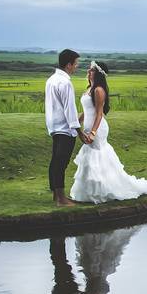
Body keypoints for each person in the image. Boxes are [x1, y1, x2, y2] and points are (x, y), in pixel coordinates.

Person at [70, 60, 147, 203]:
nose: (88, 71)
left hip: (97, 128)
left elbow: (99, 114)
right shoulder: (89, 88)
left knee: (96, 155)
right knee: (91, 155)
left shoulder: (98, 90)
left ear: (97, 74)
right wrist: (77, 121)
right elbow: (87, 111)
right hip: (89, 125)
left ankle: (102, 190)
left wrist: (92, 132)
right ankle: (89, 191)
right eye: (89, 69)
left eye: (91, 70)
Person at [45, 49, 90, 206]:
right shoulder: (65, 83)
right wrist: (79, 132)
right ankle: (61, 199)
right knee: (61, 163)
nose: (76, 66)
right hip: (65, 129)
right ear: (69, 64)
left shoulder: (51, 79)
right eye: (76, 63)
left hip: (54, 127)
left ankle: (56, 196)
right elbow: (69, 110)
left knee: (55, 162)